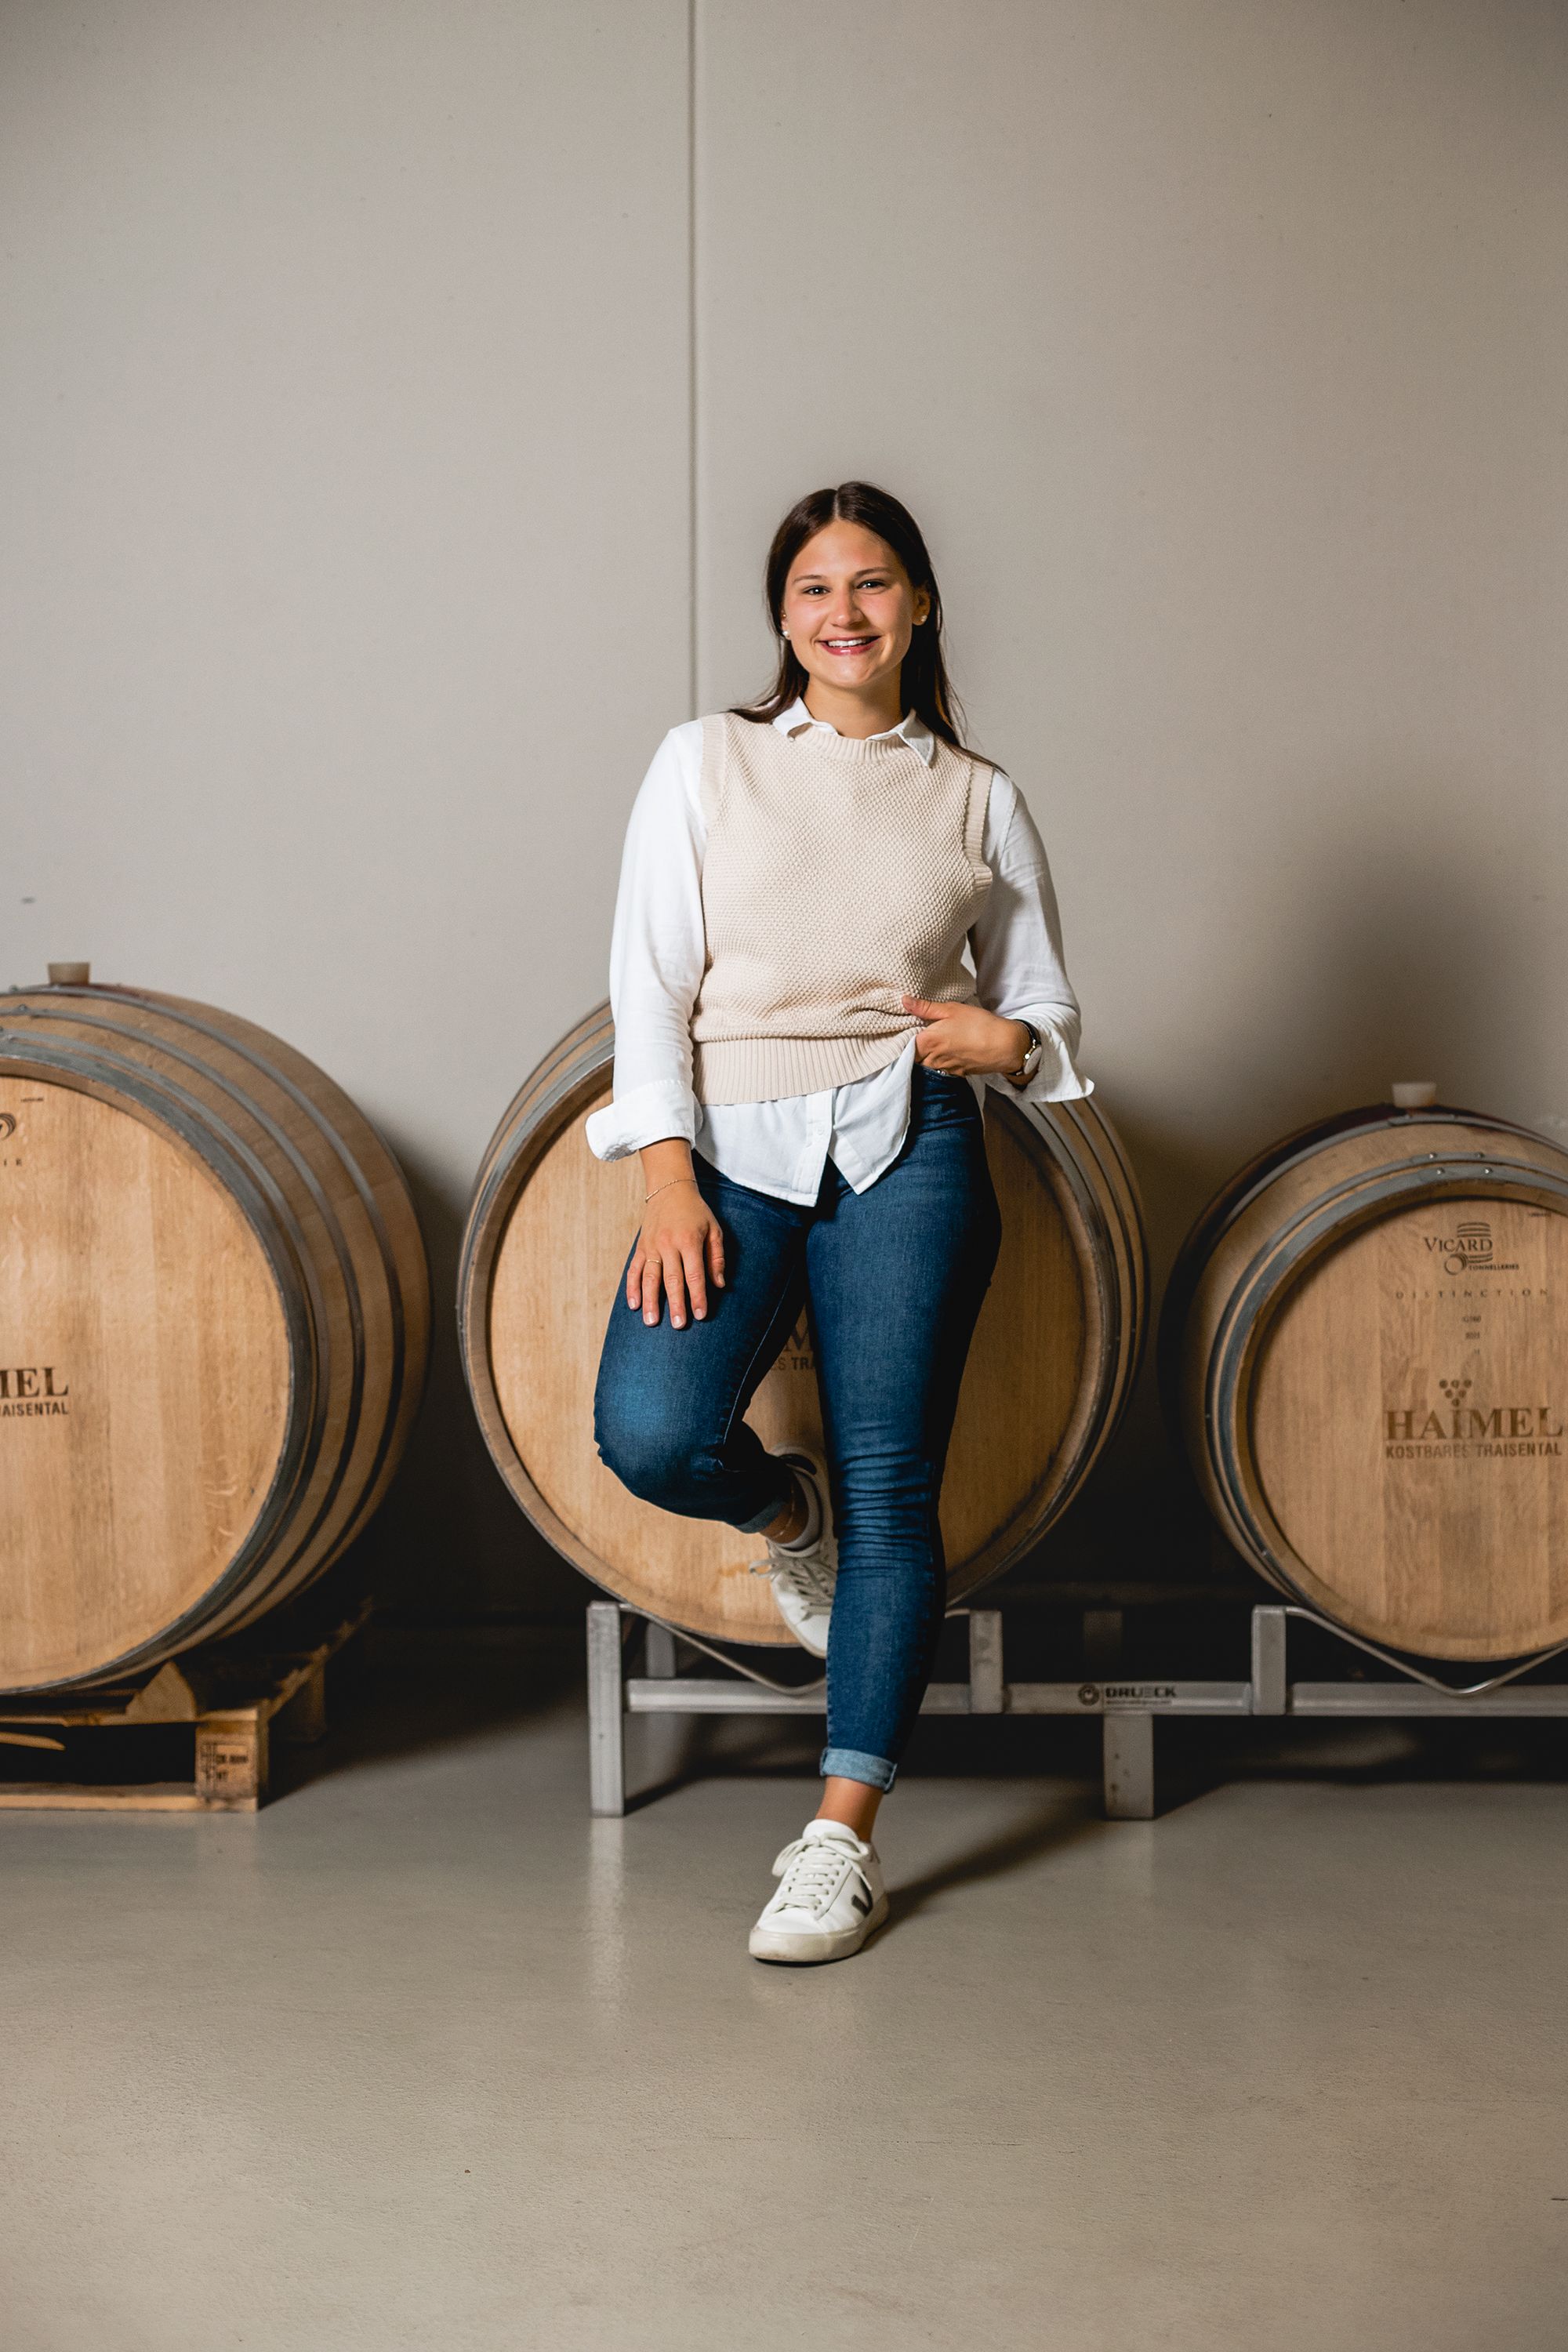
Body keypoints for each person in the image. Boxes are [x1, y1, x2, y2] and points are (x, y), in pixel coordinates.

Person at [587, 481, 1090, 1963]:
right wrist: (667, 1174)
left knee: (896, 1493)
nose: (845, 615)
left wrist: (1014, 1048)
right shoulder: (706, 763)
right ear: (783, 616)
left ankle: (837, 1836)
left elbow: (1045, 1002)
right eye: (815, 590)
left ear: (920, 604)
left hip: (911, 1142)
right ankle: (775, 1512)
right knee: (653, 1433)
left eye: (873, 586)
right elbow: (647, 985)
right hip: (729, 1145)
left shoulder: (979, 794)